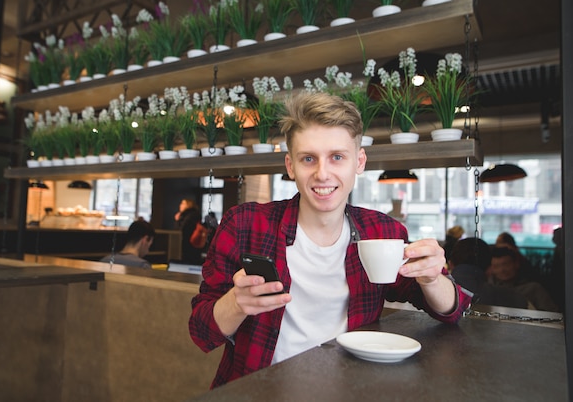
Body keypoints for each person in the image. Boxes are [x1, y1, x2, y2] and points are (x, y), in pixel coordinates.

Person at [189, 92, 472, 389]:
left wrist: (431, 280)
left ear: (359, 162)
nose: (322, 174)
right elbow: (201, 331)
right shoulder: (245, 224)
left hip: (350, 390)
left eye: (337, 157)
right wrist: (236, 303)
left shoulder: (382, 231)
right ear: (290, 166)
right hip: (257, 391)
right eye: (308, 159)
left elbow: (451, 311)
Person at [447, 237, 528, 309]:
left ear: (450, 265)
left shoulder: (436, 296)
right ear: (490, 269)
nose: (502, 270)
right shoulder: (516, 299)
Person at [490, 246, 559, 312]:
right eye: (496, 266)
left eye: (506, 265)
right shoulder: (489, 288)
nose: (502, 270)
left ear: (516, 264)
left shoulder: (534, 288)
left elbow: (551, 313)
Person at [175, 198, 203, 264]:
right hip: (191, 245)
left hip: (189, 245)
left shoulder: (190, 215)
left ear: (188, 205)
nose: (180, 205)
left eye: (183, 203)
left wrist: (178, 220)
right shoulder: (190, 215)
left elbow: (182, 229)